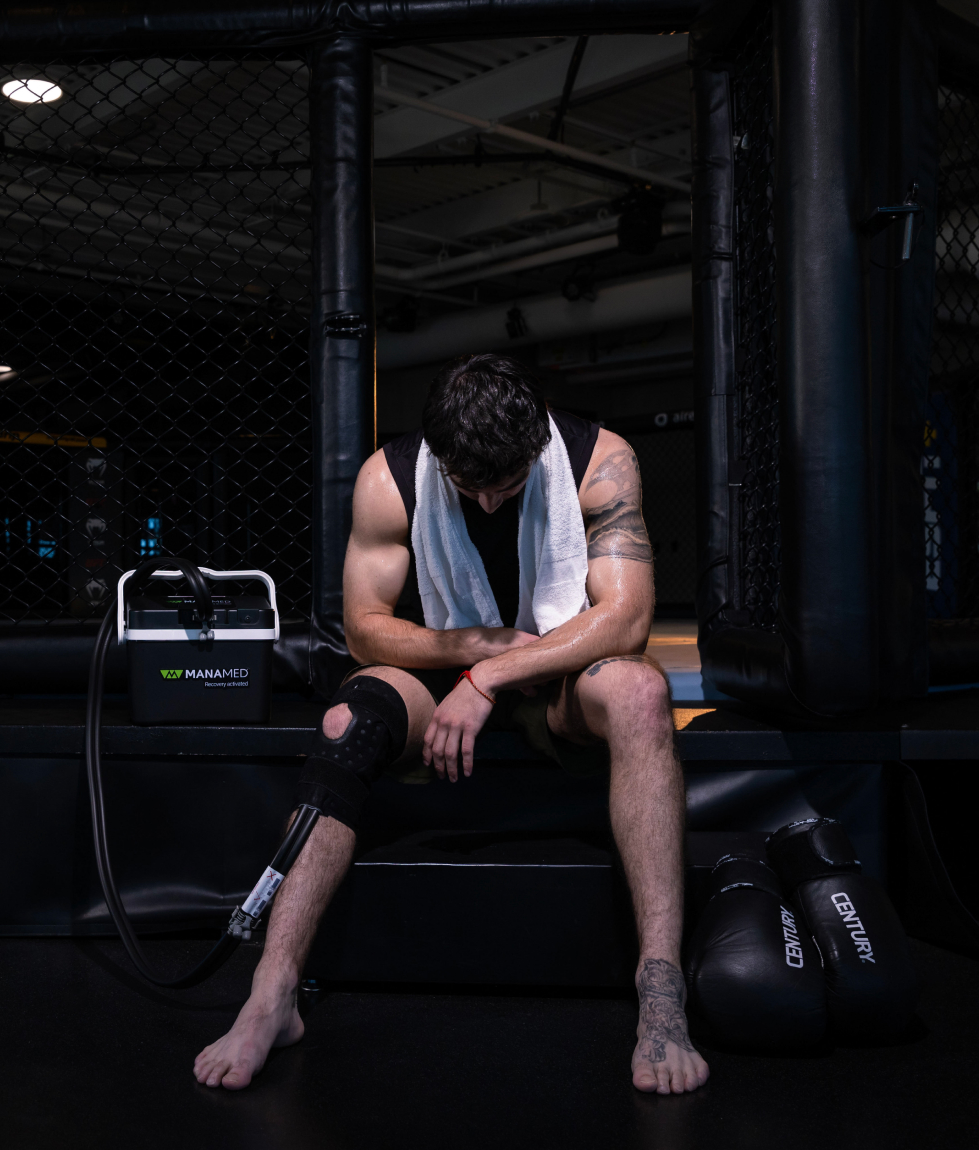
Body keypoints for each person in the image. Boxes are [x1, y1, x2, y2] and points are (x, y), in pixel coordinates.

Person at [194, 353, 707, 1095]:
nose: (493, 506)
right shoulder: (389, 478)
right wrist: (470, 651)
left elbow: (626, 618)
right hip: (439, 677)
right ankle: (272, 995)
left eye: (514, 486)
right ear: (440, 458)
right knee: (346, 719)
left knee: (638, 694)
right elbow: (366, 629)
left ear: (537, 447)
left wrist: (494, 674)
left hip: (558, 678)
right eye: (474, 489)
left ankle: (661, 997)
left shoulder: (602, 460)